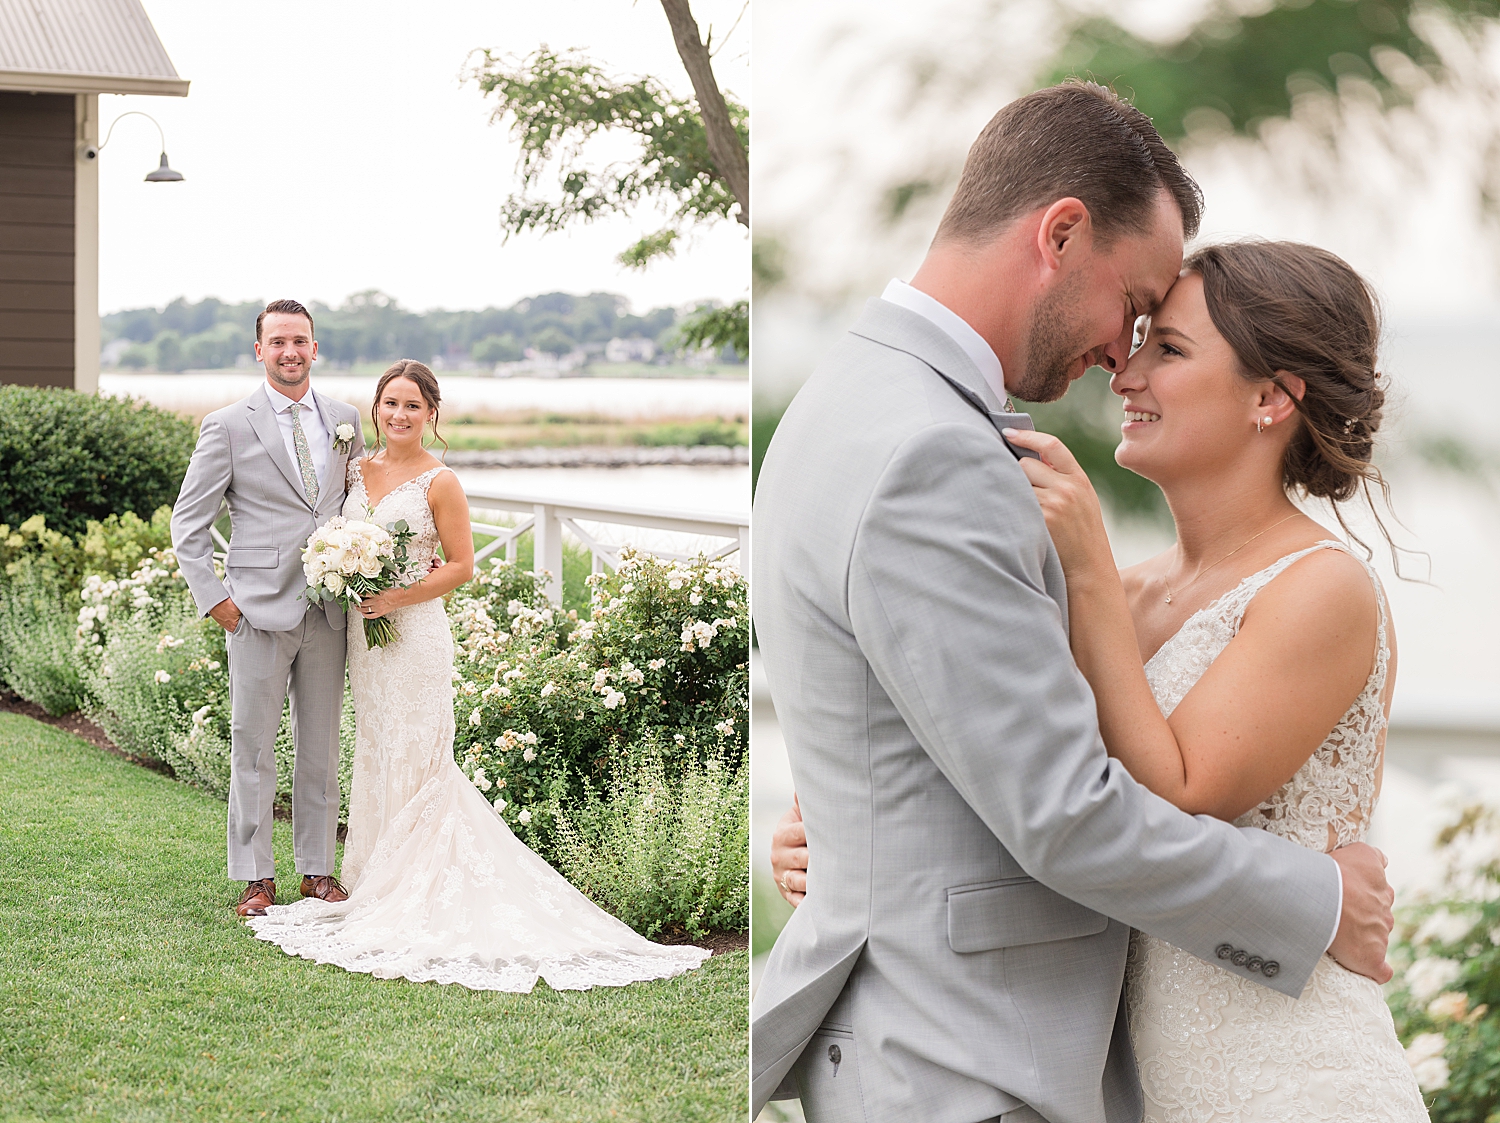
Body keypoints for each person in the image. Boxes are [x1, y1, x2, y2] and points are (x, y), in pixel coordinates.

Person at [750, 81, 1396, 1123]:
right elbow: (1063, 809)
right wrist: (1319, 903)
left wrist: (853, 829)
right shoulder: (933, 451)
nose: (1121, 359)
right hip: (967, 1063)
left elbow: (961, 723)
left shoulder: (855, 402)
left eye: (1162, 338)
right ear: (1060, 234)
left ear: (1275, 399)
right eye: (1137, 309)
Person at [244, 360, 711, 992]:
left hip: (413, 638)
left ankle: (416, 880)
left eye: (413, 406)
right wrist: (343, 572)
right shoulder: (355, 470)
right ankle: (370, 870)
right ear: (375, 409)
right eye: (390, 404)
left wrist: (395, 597)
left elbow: (462, 567)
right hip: (364, 636)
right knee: (377, 747)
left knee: (419, 751)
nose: (399, 416)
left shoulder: (441, 481)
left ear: (431, 414)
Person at [172, 300, 365, 918]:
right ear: (260, 350)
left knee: (321, 746)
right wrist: (220, 605)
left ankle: (317, 870)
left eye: (300, 341)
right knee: (252, 746)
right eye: (277, 341)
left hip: (329, 610)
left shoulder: (345, 420)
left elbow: (356, 504)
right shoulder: (227, 425)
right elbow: (189, 525)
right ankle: (256, 878)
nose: (290, 351)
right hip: (254, 610)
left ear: (316, 347)